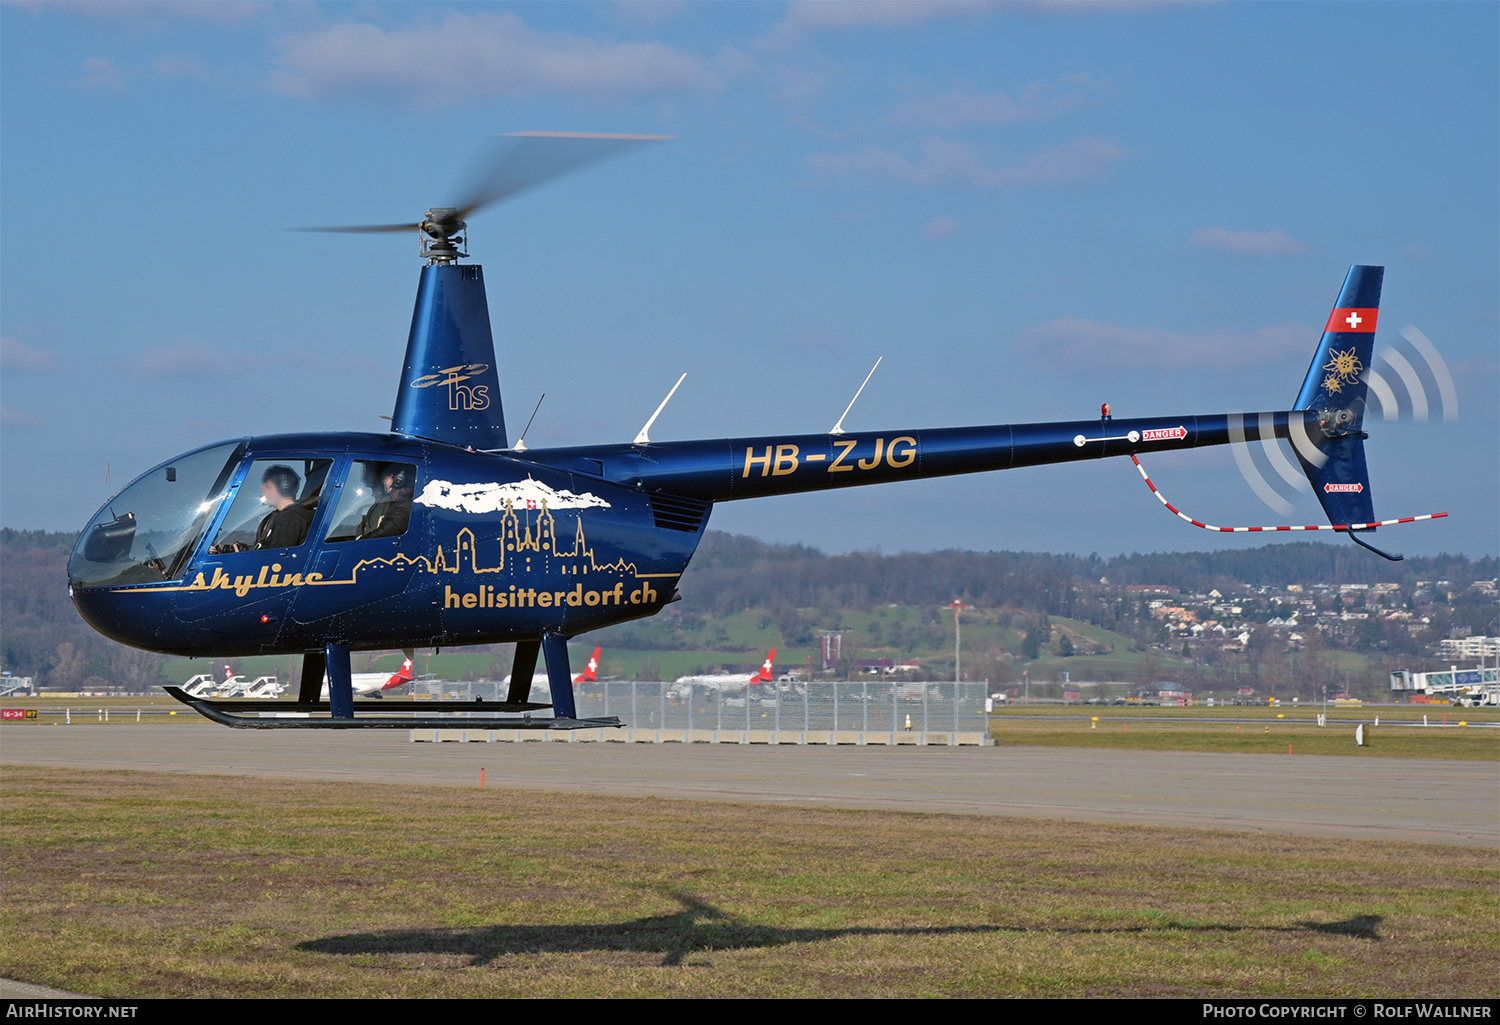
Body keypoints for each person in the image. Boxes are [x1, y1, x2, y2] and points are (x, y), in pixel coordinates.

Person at [211, 465, 312, 553]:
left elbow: (275, 562)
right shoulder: (276, 516)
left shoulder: (289, 519)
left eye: (268, 487)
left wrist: (242, 562)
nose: (262, 489)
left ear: (284, 488)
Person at [357, 463, 414, 540]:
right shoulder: (399, 503)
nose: (383, 481)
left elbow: (385, 531)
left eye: (385, 477)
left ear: (398, 480)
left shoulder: (404, 507)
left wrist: (360, 542)